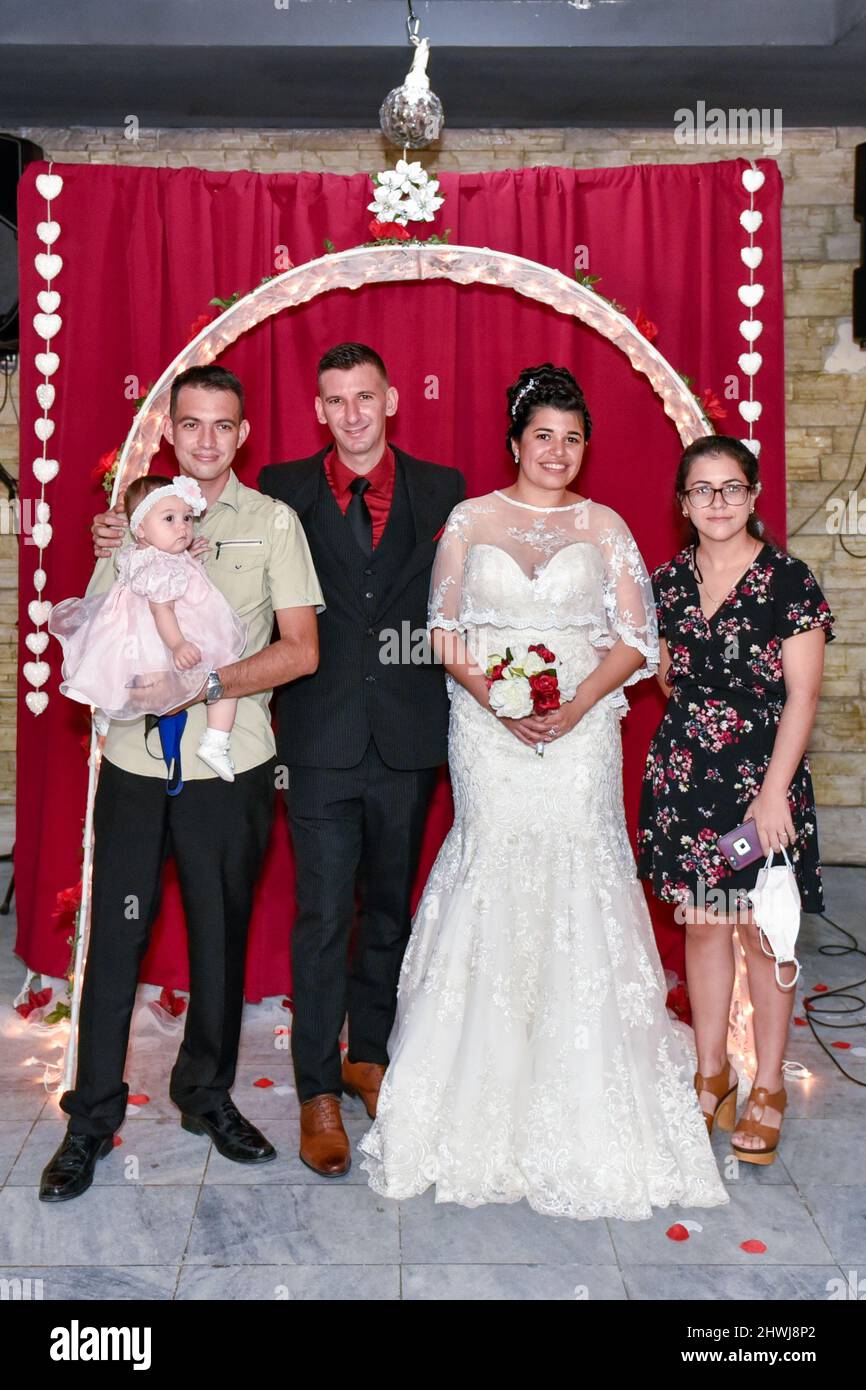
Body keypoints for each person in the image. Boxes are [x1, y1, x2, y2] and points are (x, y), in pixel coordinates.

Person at [358, 364, 729, 1220]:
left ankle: (588, 1088)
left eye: (571, 439)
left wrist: (571, 709)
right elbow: (444, 633)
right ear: (515, 443)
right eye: (542, 437)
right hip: (489, 734)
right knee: (493, 869)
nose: (557, 452)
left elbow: (637, 638)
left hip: (582, 737)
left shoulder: (605, 527)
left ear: (583, 448)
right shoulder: (469, 520)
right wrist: (503, 701)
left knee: (578, 874)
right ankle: (474, 1093)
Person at [39, 365, 324, 1202]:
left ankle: (204, 1092)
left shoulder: (273, 523)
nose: (206, 439)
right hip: (134, 763)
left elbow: (302, 650)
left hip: (227, 766)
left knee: (219, 936)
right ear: (170, 429)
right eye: (191, 423)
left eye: (223, 425)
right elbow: (95, 629)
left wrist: (200, 687)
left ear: (243, 435)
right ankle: (89, 1118)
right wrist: (121, 555)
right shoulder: (130, 527)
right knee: (115, 942)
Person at [259, 342, 465, 1177]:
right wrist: (123, 517)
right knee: (320, 915)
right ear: (318, 409)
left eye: (365, 397)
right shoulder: (280, 490)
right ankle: (316, 1090)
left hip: (410, 737)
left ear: (391, 402)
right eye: (335, 399)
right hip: (316, 738)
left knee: (388, 908)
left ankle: (367, 1056)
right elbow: (199, 525)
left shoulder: (445, 489)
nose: (352, 413)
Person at [637, 436, 834, 1166]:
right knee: (705, 929)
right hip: (689, 784)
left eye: (731, 488)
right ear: (683, 503)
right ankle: (712, 1075)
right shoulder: (665, 582)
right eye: (701, 490)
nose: (717, 503)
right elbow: (666, 679)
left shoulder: (790, 581)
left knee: (764, 936)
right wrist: (702, 733)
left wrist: (773, 792)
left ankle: (769, 1091)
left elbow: (804, 693)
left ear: (752, 495)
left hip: (765, 791)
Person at [49, 473, 246, 781]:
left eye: (186, 518)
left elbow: (167, 565)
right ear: (140, 529)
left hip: (131, 631)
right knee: (224, 668)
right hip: (164, 633)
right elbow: (162, 610)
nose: (182, 527)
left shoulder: (149, 553)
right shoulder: (159, 568)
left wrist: (187, 557)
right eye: (169, 519)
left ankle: (105, 710)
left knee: (116, 668)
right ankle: (216, 741)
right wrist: (179, 645)